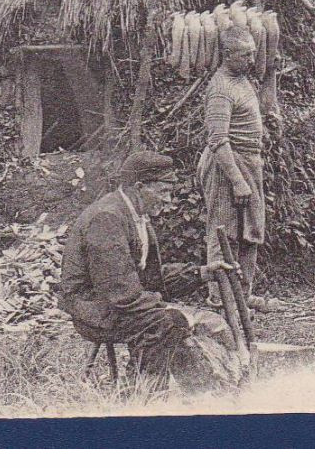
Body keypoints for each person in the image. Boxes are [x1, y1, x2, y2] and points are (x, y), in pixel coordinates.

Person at [57, 151, 237, 392]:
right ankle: (141, 395)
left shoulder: (136, 216)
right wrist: (171, 310)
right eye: (163, 192)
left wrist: (203, 272)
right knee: (169, 322)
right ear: (139, 186)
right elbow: (120, 291)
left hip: (119, 304)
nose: (169, 200)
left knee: (201, 323)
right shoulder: (107, 218)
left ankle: (207, 392)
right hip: (96, 310)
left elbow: (149, 278)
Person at [200, 24, 271, 308]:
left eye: (253, 54)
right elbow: (217, 139)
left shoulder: (242, 80)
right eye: (245, 55)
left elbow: (265, 108)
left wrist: (273, 74)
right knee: (224, 231)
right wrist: (237, 180)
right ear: (228, 55)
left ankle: (242, 293)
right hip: (227, 165)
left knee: (251, 230)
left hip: (250, 162)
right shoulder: (220, 88)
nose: (252, 61)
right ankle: (219, 298)